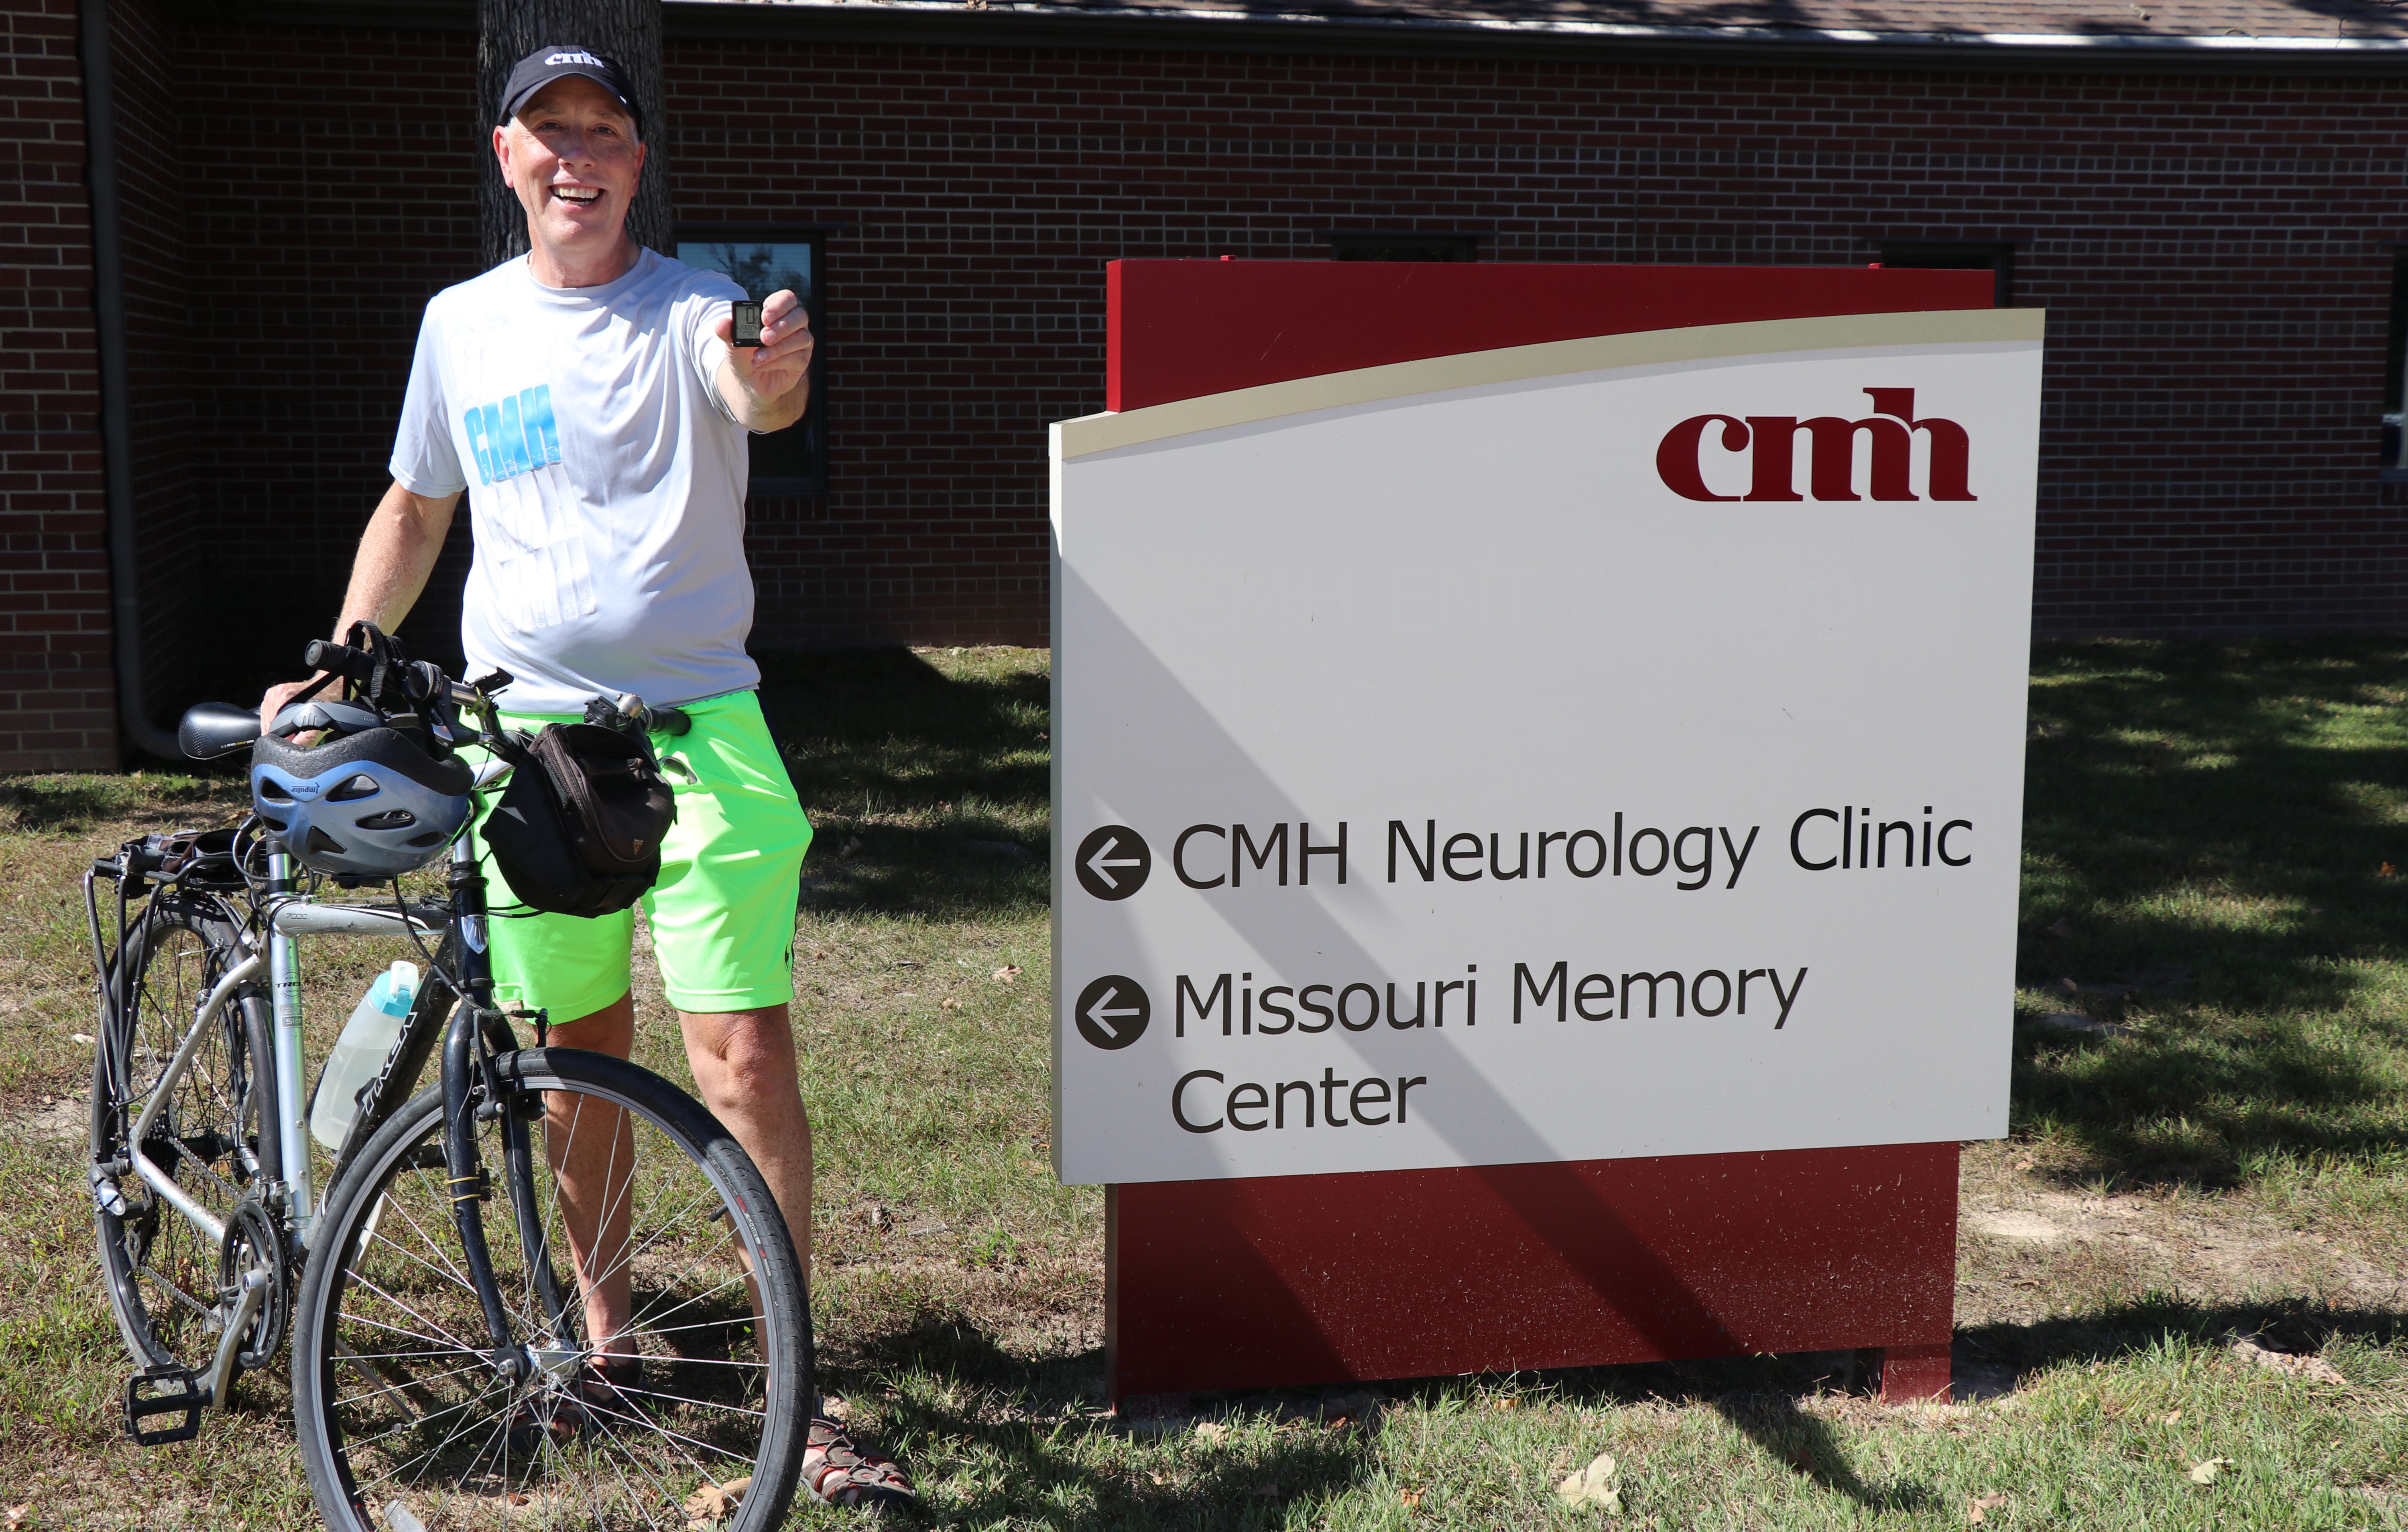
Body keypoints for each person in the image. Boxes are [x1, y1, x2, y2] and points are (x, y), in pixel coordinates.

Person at [258, 44, 912, 1512]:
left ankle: (787, 1381)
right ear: (507, 156)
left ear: (636, 158)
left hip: (697, 731)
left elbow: (760, 399)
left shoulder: (693, 311)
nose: (576, 156)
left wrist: (778, 372)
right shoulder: (462, 328)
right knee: (576, 1052)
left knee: (740, 1055)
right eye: (549, 131)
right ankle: (608, 1337)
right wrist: (347, 655)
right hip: (523, 745)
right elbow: (420, 507)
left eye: (602, 131)